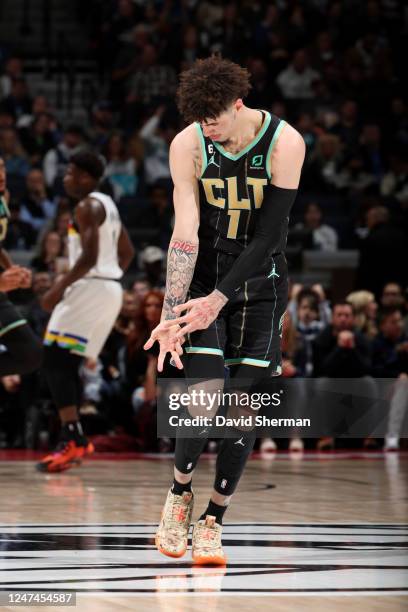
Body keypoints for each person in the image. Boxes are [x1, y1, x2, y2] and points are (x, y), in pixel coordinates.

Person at [144, 57, 305, 565]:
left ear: (238, 104)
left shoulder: (286, 143)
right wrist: (174, 312)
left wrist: (223, 300)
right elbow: (185, 231)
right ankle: (179, 494)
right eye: (200, 121)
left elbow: (270, 236)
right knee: (203, 397)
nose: (208, 129)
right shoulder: (188, 143)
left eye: (214, 118)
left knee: (241, 410)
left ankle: (214, 521)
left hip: (261, 283)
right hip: (207, 279)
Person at [37, 151, 135, 473]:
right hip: (108, 288)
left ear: (85, 177)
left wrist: (56, 289)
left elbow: (89, 257)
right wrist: (109, 278)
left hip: (92, 286)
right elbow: (127, 253)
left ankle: (72, 437)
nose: (65, 179)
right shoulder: (108, 204)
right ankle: (74, 436)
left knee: (54, 359)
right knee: (65, 362)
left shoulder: (87, 206)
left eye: (70, 173)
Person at [0, 157, 43, 377]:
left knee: (31, 355)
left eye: (2, 167)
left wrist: (12, 269)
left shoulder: (4, 196)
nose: (1, 174)